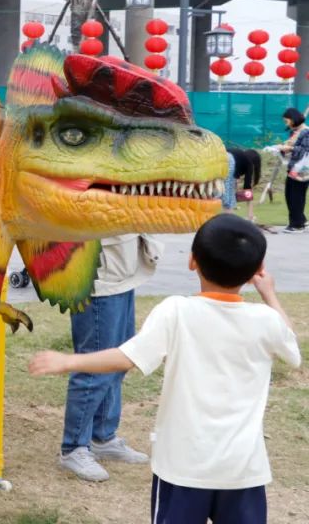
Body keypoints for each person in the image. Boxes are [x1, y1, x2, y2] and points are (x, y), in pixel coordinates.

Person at [30, 214, 300, 524]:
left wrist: (68, 361)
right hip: (242, 469)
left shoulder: (175, 311)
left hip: (181, 468)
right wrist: (270, 295)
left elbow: (126, 357)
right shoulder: (265, 321)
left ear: (192, 261)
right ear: (257, 271)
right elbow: (292, 351)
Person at [57, 234, 161, 482]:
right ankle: (74, 447)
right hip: (98, 275)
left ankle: (103, 435)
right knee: (95, 366)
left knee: (119, 359)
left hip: (122, 271)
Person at [276, 107, 309, 233]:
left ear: (293, 119)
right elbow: (293, 148)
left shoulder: (305, 132)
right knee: (290, 195)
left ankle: (297, 225)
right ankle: (301, 220)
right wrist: (281, 149)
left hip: (302, 171)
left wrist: (289, 148)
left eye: (287, 121)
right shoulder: (295, 132)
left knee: (296, 197)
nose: (286, 124)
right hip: (293, 168)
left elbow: (305, 151)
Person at [223, 147, 262, 219]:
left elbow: (235, 180)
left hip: (219, 155)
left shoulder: (240, 156)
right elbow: (247, 188)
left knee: (223, 193)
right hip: (229, 160)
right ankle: (229, 220)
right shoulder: (249, 163)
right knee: (228, 198)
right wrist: (250, 213)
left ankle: (228, 217)